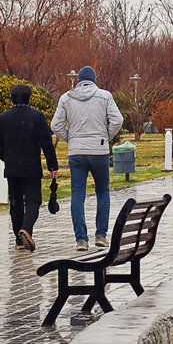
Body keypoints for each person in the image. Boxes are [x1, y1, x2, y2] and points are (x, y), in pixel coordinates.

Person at [50, 66, 123, 252]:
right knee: (102, 191)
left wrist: (71, 138)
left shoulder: (66, 98)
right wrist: (106, 136)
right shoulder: (105, 96)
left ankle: (81, 239)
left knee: (77, 194)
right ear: (94, 79)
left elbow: (55, 125)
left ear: (78, 80)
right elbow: (117, 120)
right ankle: (101, 235)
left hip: (76, 152)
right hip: (99, 150)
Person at [0, 83, 58, 251]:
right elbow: (46, 143)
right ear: (30, 98)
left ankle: (19, 241)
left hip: (12, 167)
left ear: (11, 98)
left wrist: (6, 157)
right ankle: (26, 228)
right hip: (32, 167)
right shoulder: (37, 117)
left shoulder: (3, 118)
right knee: (33, 200)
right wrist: (52, 165)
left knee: (16, 203)